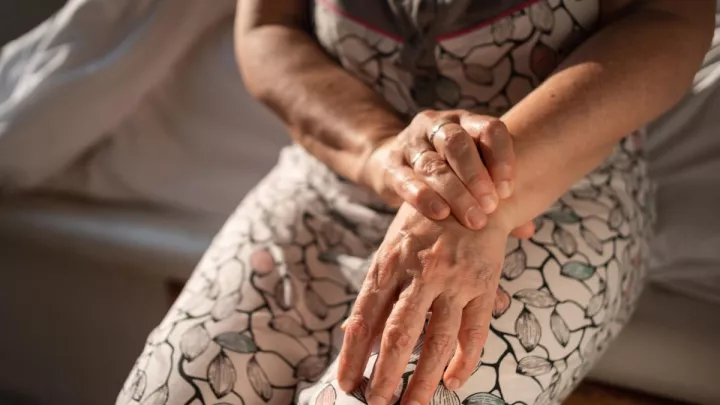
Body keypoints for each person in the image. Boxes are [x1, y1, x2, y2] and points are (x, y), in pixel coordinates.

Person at [114, 1, 713, 405]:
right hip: (335, 179)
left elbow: (668, 19)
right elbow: (266, 29)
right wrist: (383, 157)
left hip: (551, 192)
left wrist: (476, 202)